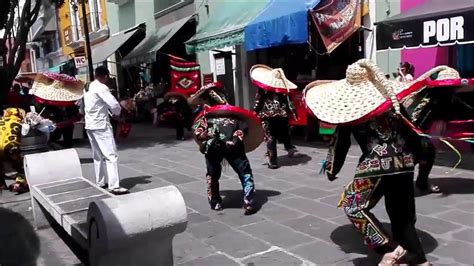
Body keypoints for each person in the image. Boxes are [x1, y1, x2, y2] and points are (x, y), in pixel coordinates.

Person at [305, 59, 429, 265]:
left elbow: (340, 142)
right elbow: (412, 132)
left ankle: (390, 250)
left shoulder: (350, 107)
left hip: (376, 163)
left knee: (353, 205)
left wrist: (331, 168)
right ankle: (418, 258)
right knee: (401, 214)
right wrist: (417, 157)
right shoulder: (391, 102)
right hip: (405, 162)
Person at [189, 82, 264, 214]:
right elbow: (243, 128)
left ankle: (215, 201)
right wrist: (235, 138)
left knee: (212, 175)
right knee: (245, 173)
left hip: (212, 147)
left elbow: (198, 132)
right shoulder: (234, 117)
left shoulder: (205, 118)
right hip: (233, 146)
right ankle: (249, 201)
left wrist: (207, 138)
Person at [83, 66, 128, 195]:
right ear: (106, 76)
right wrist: (117, 113)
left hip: (90, 124)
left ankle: (100, 181)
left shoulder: (88, 87)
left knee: (97, 155)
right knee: (111, 156)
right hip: (101, 125)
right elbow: (114, 104)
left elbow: (91, 105)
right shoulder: (102, 88)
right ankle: (114, 186)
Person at [250, 65, 298, 169]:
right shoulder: (284, 88)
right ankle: (289, 148)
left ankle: (273, 161)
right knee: (284, 131)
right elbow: (290, 101)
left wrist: (254, 112)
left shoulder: (263, 88)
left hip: (267, 115)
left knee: (270, 136)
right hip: (282, 114)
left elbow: (259, 100)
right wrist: (293, 112)